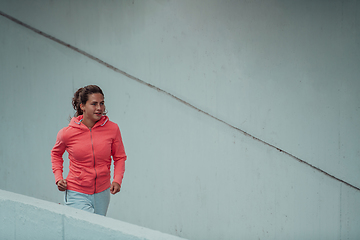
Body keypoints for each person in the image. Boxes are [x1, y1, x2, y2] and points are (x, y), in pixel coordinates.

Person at [51, 85, 127, 216]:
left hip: (102, 192)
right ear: (82, 106)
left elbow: (119, 157)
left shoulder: (113, 129)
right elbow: (56, 154)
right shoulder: (67, 133)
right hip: (76, 192)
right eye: (94, 104)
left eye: (101, 103)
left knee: (96, 231)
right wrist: (58, 178)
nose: (99, 108)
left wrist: (117, 180)